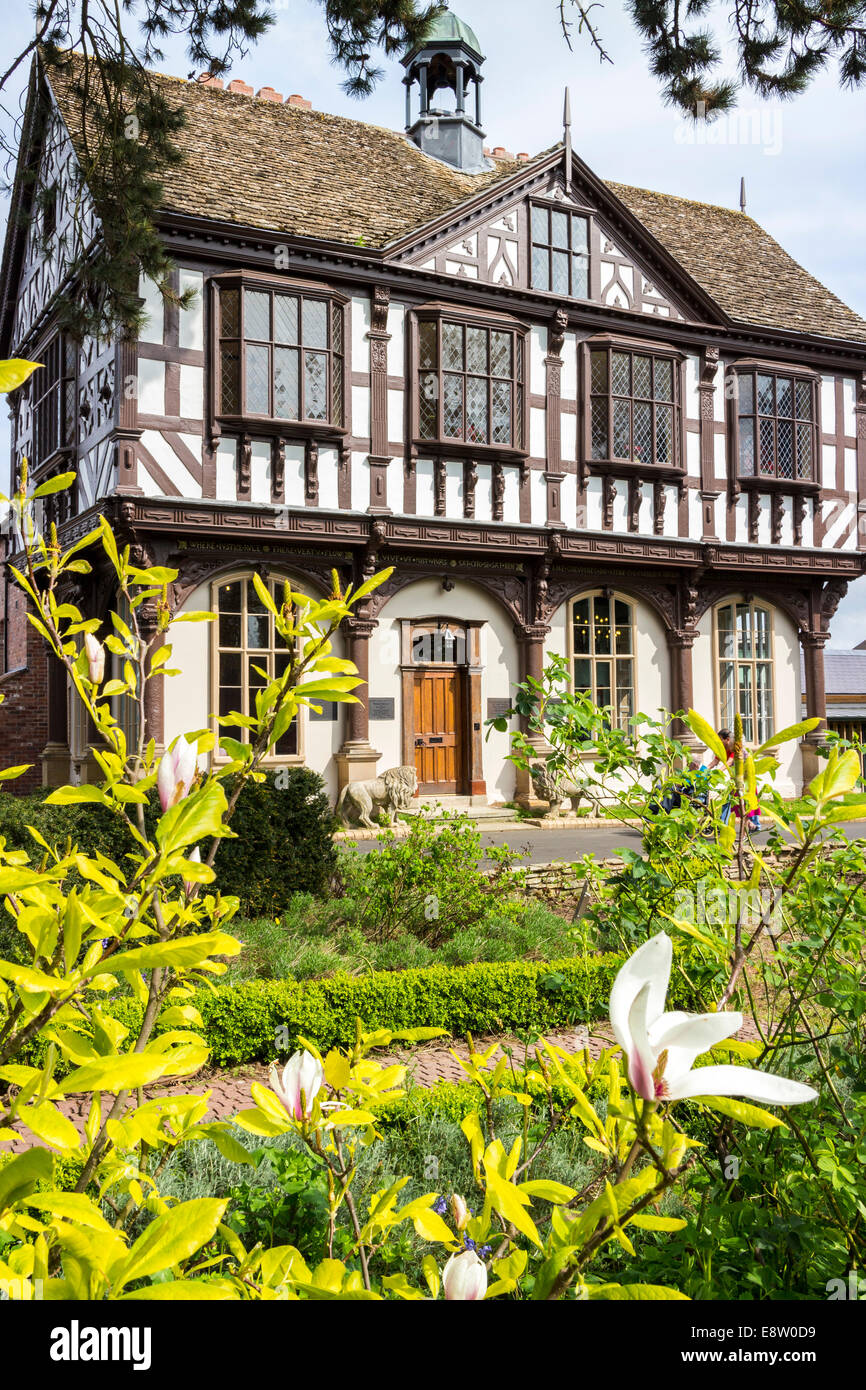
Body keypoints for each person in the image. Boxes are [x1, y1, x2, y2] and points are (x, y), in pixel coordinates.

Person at [709, 728, 760, 832]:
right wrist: (704, 770)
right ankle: (729, 824)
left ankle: (753, 824)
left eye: (720, 740)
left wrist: (717, 772)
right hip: (735, 780)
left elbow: (729, 762)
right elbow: (715, 761)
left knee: (745, 803)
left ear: (727, 740)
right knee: (733, 802)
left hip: (745, 780)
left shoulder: (735, 749)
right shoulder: (724, 749)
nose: (718, 742)